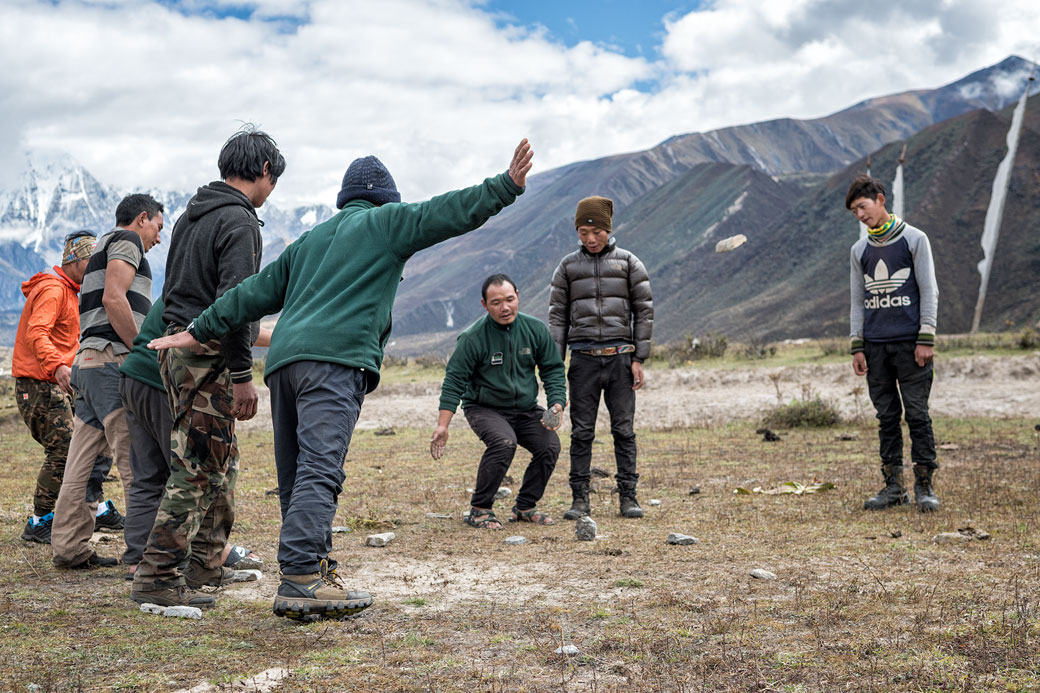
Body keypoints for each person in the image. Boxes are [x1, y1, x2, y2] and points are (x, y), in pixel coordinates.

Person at [148, 138, 533, 621]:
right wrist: (506, 187)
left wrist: (198, 329)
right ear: (385, 200)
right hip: (333, 364)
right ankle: (303, 579)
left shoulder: (310, 241)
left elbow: (250, 294)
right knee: (320, 468)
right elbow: (448, 211)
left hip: (284, 366)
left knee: (296, 472)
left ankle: (313, 568)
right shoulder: (386, 223)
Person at [132, 128, 285, 609]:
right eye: (273, 180)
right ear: (263, 171)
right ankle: (157, 579)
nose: (271, 191)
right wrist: (242, 376)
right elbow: (237, 306)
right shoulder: (240, 222)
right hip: (207, 358)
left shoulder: (191, 216)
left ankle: (204, 565)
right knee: (197, 467)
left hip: (177, 355)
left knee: (222, 462)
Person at [119, 298, 270, 579]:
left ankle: (139, 559)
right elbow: (228, 323)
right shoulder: (213, 286)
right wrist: (285, 338)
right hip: (163, 381)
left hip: (134, 376)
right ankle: (195, 560)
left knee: (148, 476)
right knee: (196, 472)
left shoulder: (183, 282)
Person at [51, 194, 163, 569]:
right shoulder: (127, 241)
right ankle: (144, 555)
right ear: (142, 218)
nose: (158, 239)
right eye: (158, 227)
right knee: (136, 460)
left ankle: (68, 547)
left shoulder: (98, 244)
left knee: (80, 462)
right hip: (113, 362)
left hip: (86, 363)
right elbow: (115, 299)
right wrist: (142, 350)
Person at [430, 275, 566, 529]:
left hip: (525, 408)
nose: (505, 308)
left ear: (517, 296)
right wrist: (442, 426)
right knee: (504, 442)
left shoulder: (535, 330)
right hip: (484, 408)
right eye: (496, 302)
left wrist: (557, 403)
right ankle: (480, 509)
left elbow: (553, 369)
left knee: (549, 446)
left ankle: (525, 507)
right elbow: (454, 383)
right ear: (484, 304)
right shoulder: (472, 338)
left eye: (509, 300)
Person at [13, 231, 122, 543]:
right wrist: (56, 365)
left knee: (91, 442)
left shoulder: (72, 292)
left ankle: (95, 508)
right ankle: (41, 521)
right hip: (40, 384)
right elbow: (37, 332)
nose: (97, 268)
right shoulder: (52, 290)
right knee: (64, 447)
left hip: (62, 382)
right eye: (92, 261)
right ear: (77, 261)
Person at [548, 196, 653, 519]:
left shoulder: (629, 263)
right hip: (583, 360)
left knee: (624, 430)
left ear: (608, 228)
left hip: (621, 358)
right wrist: (556, 362)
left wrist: (639, 358)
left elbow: (644, 312)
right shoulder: (567, 267)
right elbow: (557, 318)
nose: (591, 239)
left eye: (597, 232)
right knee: (582, 432)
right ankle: (580, 499)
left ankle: (628, 497)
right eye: (583, 232)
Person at [846, 174, 939, 512]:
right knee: (886, 418)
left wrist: (926, 336)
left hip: (911, 345)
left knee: (917, 415)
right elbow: (857, 301)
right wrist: (857, 345)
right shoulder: (859, 250)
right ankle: (893, 488)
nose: (860, 214)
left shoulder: (915, 239)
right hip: (875, 348)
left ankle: (925, 487)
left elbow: (929, 289)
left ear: (880, 200)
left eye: (863, 206)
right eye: (854, 210)